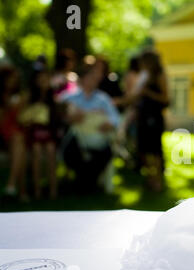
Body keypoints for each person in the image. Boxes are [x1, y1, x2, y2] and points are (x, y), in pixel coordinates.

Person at [60, 56, 120, 193]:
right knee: (71, 151)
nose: (94, 80)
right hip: (78, 140)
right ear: (82, 79)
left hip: (99, 138)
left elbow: (115, 119)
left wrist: (108, 124)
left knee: (105, 153)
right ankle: (83, 183)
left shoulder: (103, 99)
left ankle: (88, 183)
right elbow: (59, 114)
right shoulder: (69, 97)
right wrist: (70, 117)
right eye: (90, 76)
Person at [19, 67, 58, 199]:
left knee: (51, 150)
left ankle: (53, 189)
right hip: (34, 132)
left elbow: (55, 118)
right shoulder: (30, 95)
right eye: (41, 79)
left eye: (46, 79)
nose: (43, 82)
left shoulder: (52, 96)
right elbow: (22, 117)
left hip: (48, 132)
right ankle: (37, 190)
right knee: (36, 151)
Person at [135, 50, 169, 192]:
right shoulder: (145, 76)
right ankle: (150, 178)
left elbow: (166, 99)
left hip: (154, 117)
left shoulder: (159, 76)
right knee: (144, 149)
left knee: (154, 150)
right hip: (144, 116)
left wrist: (147, 92)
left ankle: (157, 181)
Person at [0, 64, 27, 200]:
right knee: (19, 142)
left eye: (16, 78)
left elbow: (22, 119)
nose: (14, 81)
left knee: (19, 143)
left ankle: (12, 187)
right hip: (3, 133)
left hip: (14, 134)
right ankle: (21, 191)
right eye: (11, 78)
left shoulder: (20, 96)